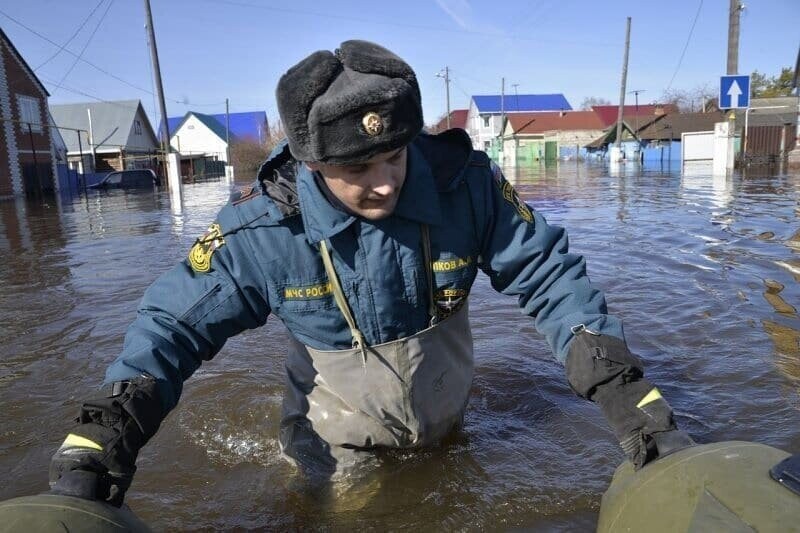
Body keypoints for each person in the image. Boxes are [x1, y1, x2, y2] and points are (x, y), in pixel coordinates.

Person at [48, 40, 691, 506]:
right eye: (358, 169)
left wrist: (626, 394)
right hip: (335, 442)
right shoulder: (263, 230)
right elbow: (171, 325)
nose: (384, 182)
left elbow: (549, 278)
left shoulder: (465, 188)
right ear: (311, 163)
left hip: (445, 421)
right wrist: (103, 433)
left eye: (394, 155)